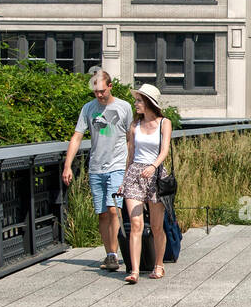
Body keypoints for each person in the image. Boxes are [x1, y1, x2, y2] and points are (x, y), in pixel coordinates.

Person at [63, 69, 133, 272]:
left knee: (113, 209)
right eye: (96, 92)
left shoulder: (124, 107)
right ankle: (109, 253)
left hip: (117, 166)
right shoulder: (88, 108)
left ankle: (114, 254)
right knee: (102, 213)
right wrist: (67, 165)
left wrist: (130, 166)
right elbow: (77, 136)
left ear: (110, 87)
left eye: (102, 91)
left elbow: (131, 138)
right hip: (95, 167)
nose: (99, 95)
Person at [118, 83, 172, 284]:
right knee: (136, 223)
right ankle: (134, 270)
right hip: (134, 175)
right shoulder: (134, 126)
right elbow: (130, 154)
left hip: (156, 175)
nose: (136, 104)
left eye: (139, 100)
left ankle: (159, 264)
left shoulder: (164, 123)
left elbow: (164, 149)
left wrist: (153, 166)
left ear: (149, 103)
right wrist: (124, 180)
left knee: (157, 226)